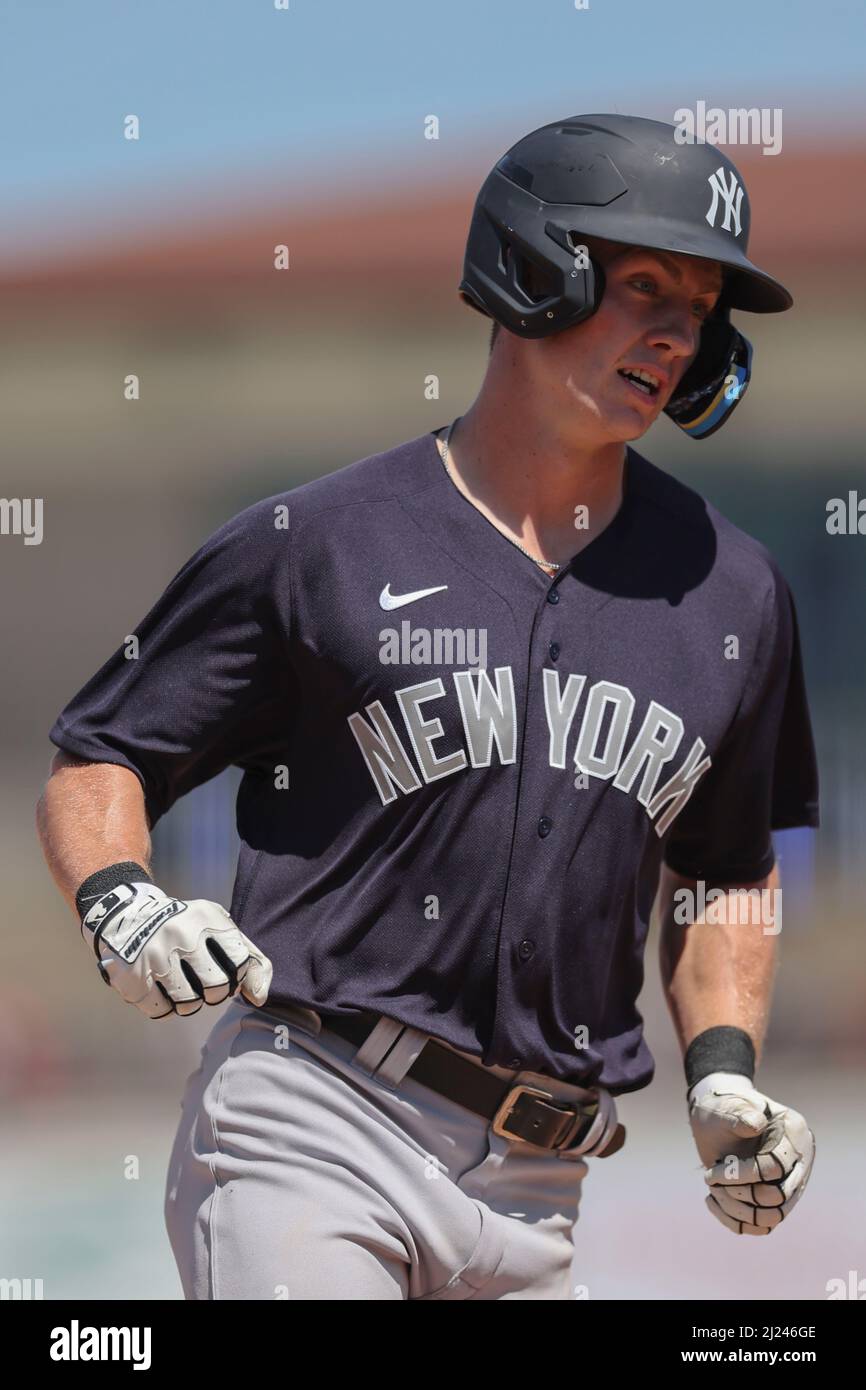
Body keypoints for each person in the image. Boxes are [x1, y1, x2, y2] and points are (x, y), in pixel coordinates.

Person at [37, 114, 820, 1301]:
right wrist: (124, 903)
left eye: (700, 302)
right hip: (314, 1120)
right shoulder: (317, 544)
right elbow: (102, 755)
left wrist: (720, 1068)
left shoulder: (731, 589)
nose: (676, 330)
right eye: (643, 283)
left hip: (542, 1189)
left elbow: (728, 866)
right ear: (530, 269)